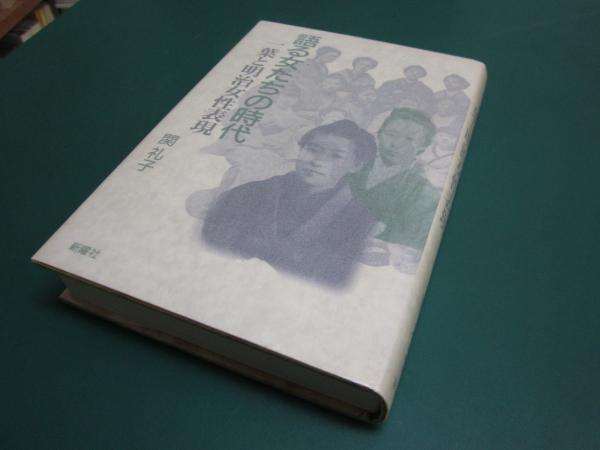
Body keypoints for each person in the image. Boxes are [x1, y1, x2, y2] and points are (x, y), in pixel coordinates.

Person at [201, 120, 378, 287]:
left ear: (356, 165)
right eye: (312, 150)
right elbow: (211, 242)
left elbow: (335, 276)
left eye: (335, 156)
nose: (317, 161)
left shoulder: (360, 217)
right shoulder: (249, 193)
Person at [349, 108, 439, 257]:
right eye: (391, 135)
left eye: (410, 139)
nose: (396, 144)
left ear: (421, 149)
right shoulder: (352, 167)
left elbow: (412, 240)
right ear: (379, 134)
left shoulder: (423, 192)